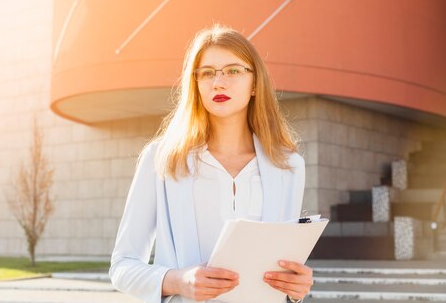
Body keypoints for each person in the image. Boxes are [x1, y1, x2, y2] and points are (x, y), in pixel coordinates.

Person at [109, 24, 312, 303]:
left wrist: (295, 289)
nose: (219, 82)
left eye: (233, 70)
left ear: (255, 84)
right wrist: (178, 281)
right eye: (207, 73)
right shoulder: (162, 160)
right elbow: (122, 266)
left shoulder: (288, 167)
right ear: (196, 85)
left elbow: (283, 270)